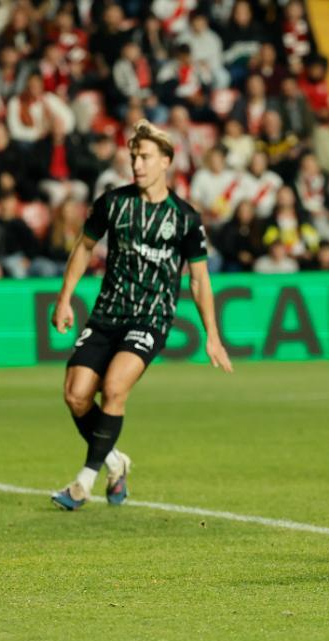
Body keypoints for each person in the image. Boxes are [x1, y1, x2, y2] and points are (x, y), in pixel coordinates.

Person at [49, 120, 233, 511]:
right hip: (107, 313)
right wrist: (64, 298)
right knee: (76, 395)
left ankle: (83, 482)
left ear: (166, 161)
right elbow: (83, 249)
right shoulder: (114, 204)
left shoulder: (185, 218)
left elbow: (199, 280)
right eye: (134, 156)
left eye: (145, 156)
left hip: (150, 317)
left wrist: (212, 335)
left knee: (114, 389)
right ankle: (115, 461)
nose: (137, 164)